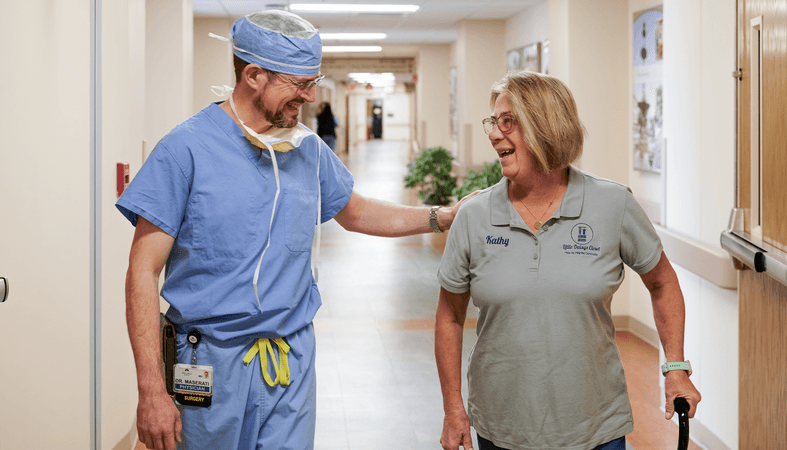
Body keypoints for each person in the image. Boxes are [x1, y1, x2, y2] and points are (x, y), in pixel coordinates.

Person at [117, 10, 472, 450]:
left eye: (312, 81)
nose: (308, 95)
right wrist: (151, 388)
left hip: (290, 358)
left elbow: (355, 211)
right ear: (253, 75)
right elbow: (142, 271)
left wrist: (441, 216)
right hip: (206, 363)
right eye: (298, 83)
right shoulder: (185, 149)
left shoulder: (305, 147)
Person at [434, 71, 701, 450]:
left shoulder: (613, 204)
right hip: (502, 427)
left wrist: (675, 367)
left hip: (596, 427)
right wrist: (453, 408)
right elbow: (449, 315)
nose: (494, 134)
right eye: (493, 122)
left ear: (546, 125)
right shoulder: (474, 215)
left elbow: (662, 282)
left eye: (507, 121)